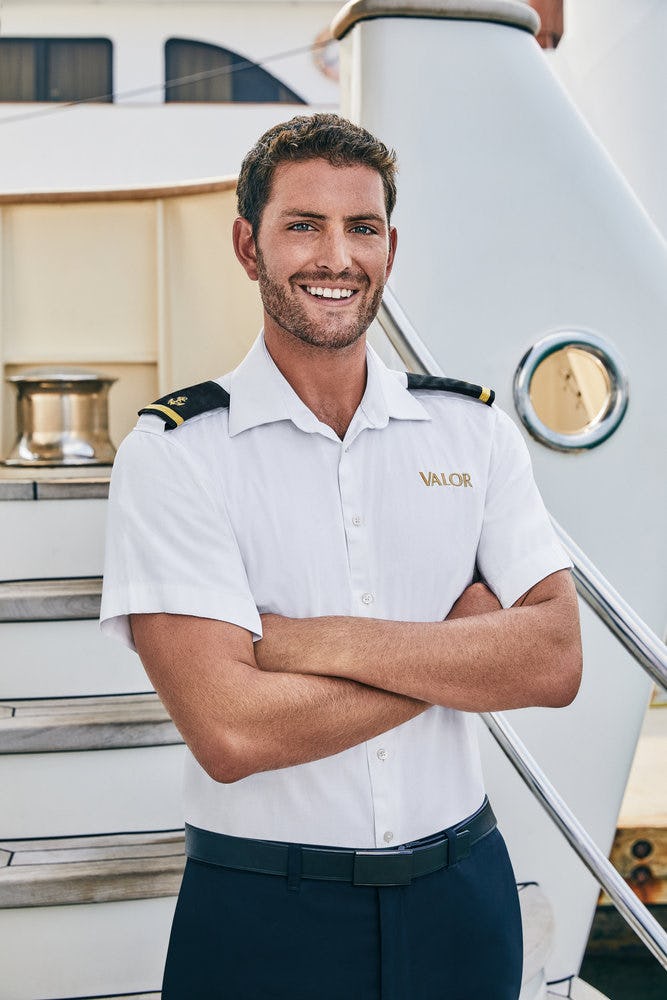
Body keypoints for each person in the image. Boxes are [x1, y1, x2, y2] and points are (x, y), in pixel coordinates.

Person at [100, 113, 582, 1000]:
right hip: (264, 912)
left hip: (463, 896)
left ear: (389, 248)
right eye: (303, 225)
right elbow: (234, 731)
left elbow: (552, 660)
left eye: (361, 228)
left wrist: (297, 640)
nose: (336, 257)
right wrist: (458, 648)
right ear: (249, 246)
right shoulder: (174, 454)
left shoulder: (472, 430)